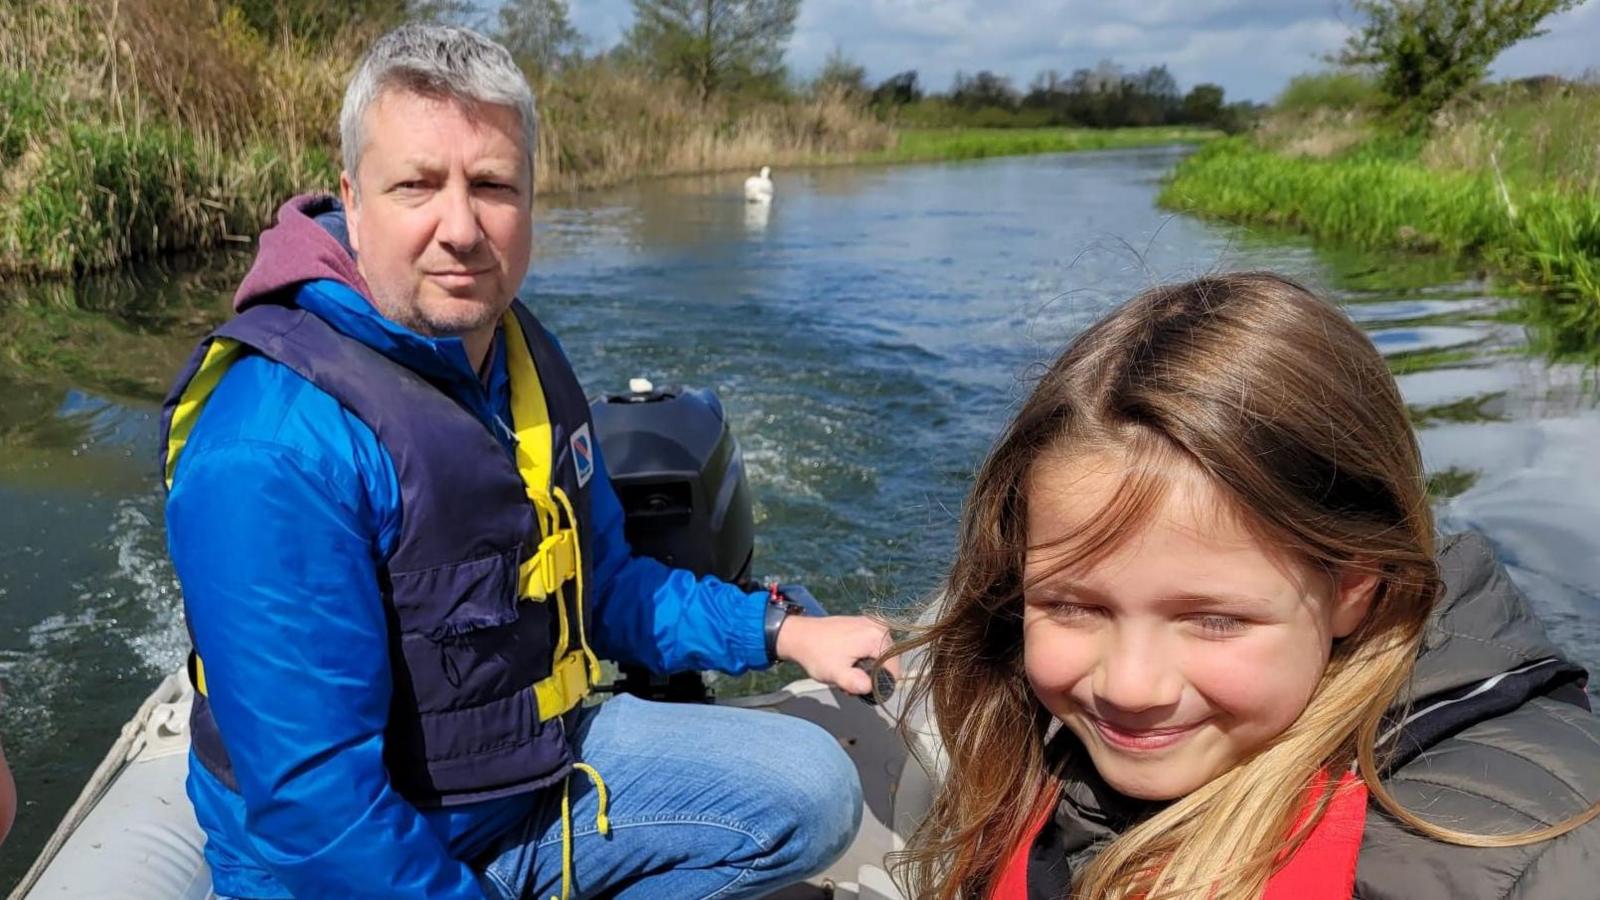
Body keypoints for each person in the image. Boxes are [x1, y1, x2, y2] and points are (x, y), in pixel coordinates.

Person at [161, 23, 891, 900]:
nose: (461, 228)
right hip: (353, 865)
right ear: (353, 202)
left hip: (529, 788)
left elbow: (603, 583)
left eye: (493, 185)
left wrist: (777, 632)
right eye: (417, 186)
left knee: (814, 791)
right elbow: (320, 812)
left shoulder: (517, 354)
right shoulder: (273, 444)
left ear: (534, 200)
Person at [888, 273, 1600, 900]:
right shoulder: (1028, 740)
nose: (1131, 688)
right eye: (1072, 606)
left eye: (1214, 619)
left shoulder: (1528, 858)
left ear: (1354, 585)